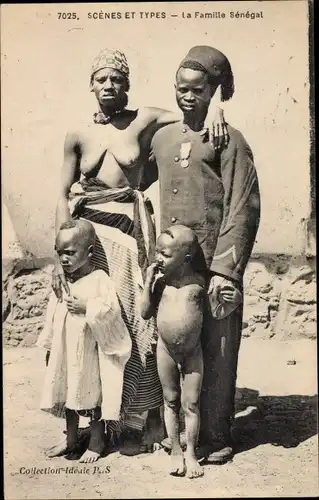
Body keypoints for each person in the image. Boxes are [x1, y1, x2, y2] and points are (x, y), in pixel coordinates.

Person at [50, 47, 231, 454]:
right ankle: (88, 425)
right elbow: (62, 193)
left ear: (127, 85)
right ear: (91, 84)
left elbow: (192, 109)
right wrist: (58, 245)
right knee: (86, 325)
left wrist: (218, 107)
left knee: (135, 324)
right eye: (102, 79)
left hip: (129, 234)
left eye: (117, 79)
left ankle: (137, 422)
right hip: (86, 237)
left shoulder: (145, 118)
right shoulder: (77, 133)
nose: (109, 85)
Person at [150, 45, 261, 463]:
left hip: (214, 266)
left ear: (213, 90)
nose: (188, 97)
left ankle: (216, 434)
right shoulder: (163, 138)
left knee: (217, 346)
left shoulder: (230, 141)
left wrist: (226, 270)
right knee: (170, 342)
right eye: (181, 89)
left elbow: (244, 204)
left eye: (198, 90)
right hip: (173, 268)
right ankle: (173, 431)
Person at [37, 220, 132, 462]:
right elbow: (53, 309)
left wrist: (87, 306)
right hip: (66, 350)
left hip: (90, 352)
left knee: (92, 396)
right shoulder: (64, 280)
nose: (64, 259)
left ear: (89, 252)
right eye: (60, 253)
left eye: (70, 252)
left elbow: (111, 311)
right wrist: (50, 344)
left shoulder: (99, 279)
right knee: (70, 392)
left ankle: (97, 442)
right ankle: (70, 440)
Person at [141, 225, 206, 478]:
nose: (158, 258)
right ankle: (175, 451)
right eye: (157, 252)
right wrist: (147, 284)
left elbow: (211, 317)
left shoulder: (200, 284)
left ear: (186, 258)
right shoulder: (160, 283)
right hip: (166, 350)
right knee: (170, 401)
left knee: (191, 403)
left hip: (193, 352)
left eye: (165, 254)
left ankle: (191, 452)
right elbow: (145, 312)